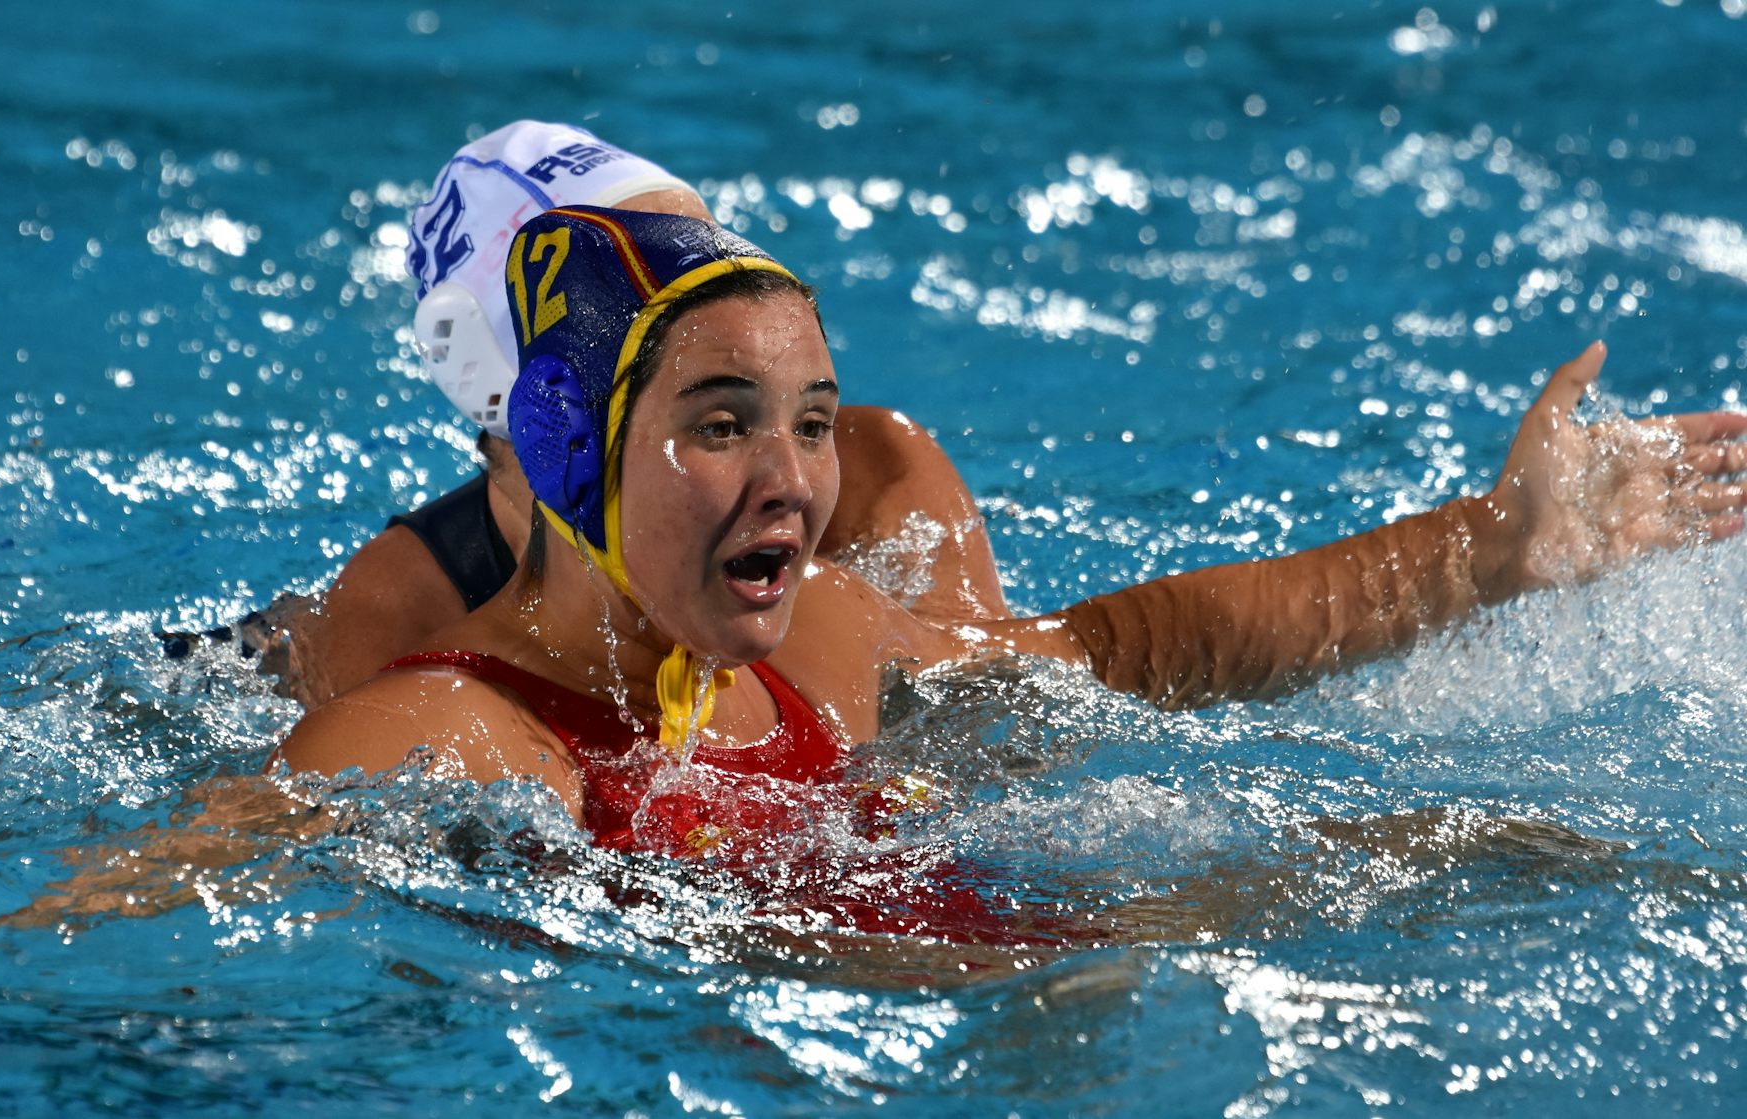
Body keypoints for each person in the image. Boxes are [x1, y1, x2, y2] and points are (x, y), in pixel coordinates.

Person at [271, 203, 1747, 881]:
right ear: (543, 443)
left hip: (993, 989)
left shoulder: (831, 630)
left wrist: (1488, 544)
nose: (796, 476)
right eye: (723, 421)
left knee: (1499, 852)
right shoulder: (426, 720)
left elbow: (1123, 654)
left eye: (809, 420)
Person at [234, 122, 1008, 710]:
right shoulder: (398, 625)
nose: (696, 293)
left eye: (698, 251)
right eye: (639, 284)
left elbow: (991, 706)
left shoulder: (872, 473)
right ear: (503, 375)